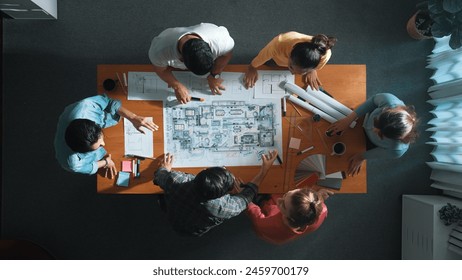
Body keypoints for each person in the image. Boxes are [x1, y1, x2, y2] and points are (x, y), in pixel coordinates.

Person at [153, 150, 278, 237]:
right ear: (224, 194)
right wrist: (264, 170)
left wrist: (165, 168)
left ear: (204, 171)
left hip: (176, 215)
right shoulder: (226, 208)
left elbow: (159, 175)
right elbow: (247, 196)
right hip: (195, 229)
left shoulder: (176, 180)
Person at [54, 94, 159, 177]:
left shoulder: (85, 107)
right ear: (83, 152)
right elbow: (90, 166)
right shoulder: (71, 162)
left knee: (113, 117)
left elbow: (108, 102)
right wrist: (105, 162)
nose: (104, 144)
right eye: (98, 146)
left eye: (100, 138)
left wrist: (133, 117)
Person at [327, 93, 419, 176]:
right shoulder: (389, 100)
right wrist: (348, 120)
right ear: (387, 109)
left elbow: (375, 153)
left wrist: (361, 157)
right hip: (364, 118)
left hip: (371, 143)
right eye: (377, 122)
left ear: (398, 139)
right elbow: (372, 102)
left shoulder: (396, 150)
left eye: (380, 134)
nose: (373, 129)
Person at [148, 23, 235, 104]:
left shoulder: (221, 41)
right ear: (181, 60)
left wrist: (214, 75)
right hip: (168, 39)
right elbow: (160, 70)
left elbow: (226, 55)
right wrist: (177, 86)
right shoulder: (159, 51)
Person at [244, 32, 336, 90]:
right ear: (290, 55)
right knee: (269, 63)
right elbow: (261, 57)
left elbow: (316, 66)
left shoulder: (325, 55)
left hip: (295, 62)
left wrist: (312, 70)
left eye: (301, 72)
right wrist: (252, 67)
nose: (292, 73)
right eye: (291, 67)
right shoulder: (279, 44)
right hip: (278, 57)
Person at [247, 187, 333, 245]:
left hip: (267, 226)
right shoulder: (322, 210)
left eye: (283, 205)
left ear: (287, 218)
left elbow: (252, 211)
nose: (279, 200)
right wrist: (319, 195)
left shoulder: (268, 224)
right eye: (286, 194)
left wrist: (245, 196)